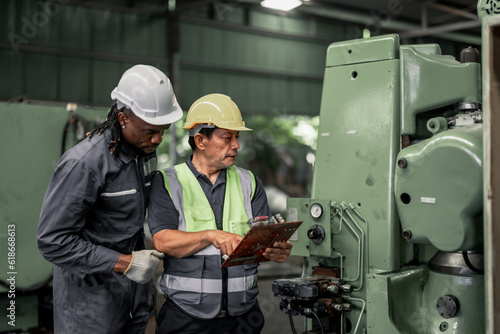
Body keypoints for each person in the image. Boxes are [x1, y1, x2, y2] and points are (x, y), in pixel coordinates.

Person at [37, 64, 183, 333]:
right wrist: (126, 263)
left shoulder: (142, 153)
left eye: (164, 129)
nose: (158, 138)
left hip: (132, 298)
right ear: (124, 119)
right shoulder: (85, 164)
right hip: (89, 309)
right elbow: (52, 241)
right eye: (150, 130)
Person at [147, 93, 293, 334]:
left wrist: (275, 251)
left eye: (236, 137)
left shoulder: (250, 183)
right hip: (186, 317)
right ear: (200, 140)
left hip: (243, 316)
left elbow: (258, 244)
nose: (236, 145)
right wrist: (211, 236)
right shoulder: (167, 182)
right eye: (227, 137)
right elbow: (163, 241)